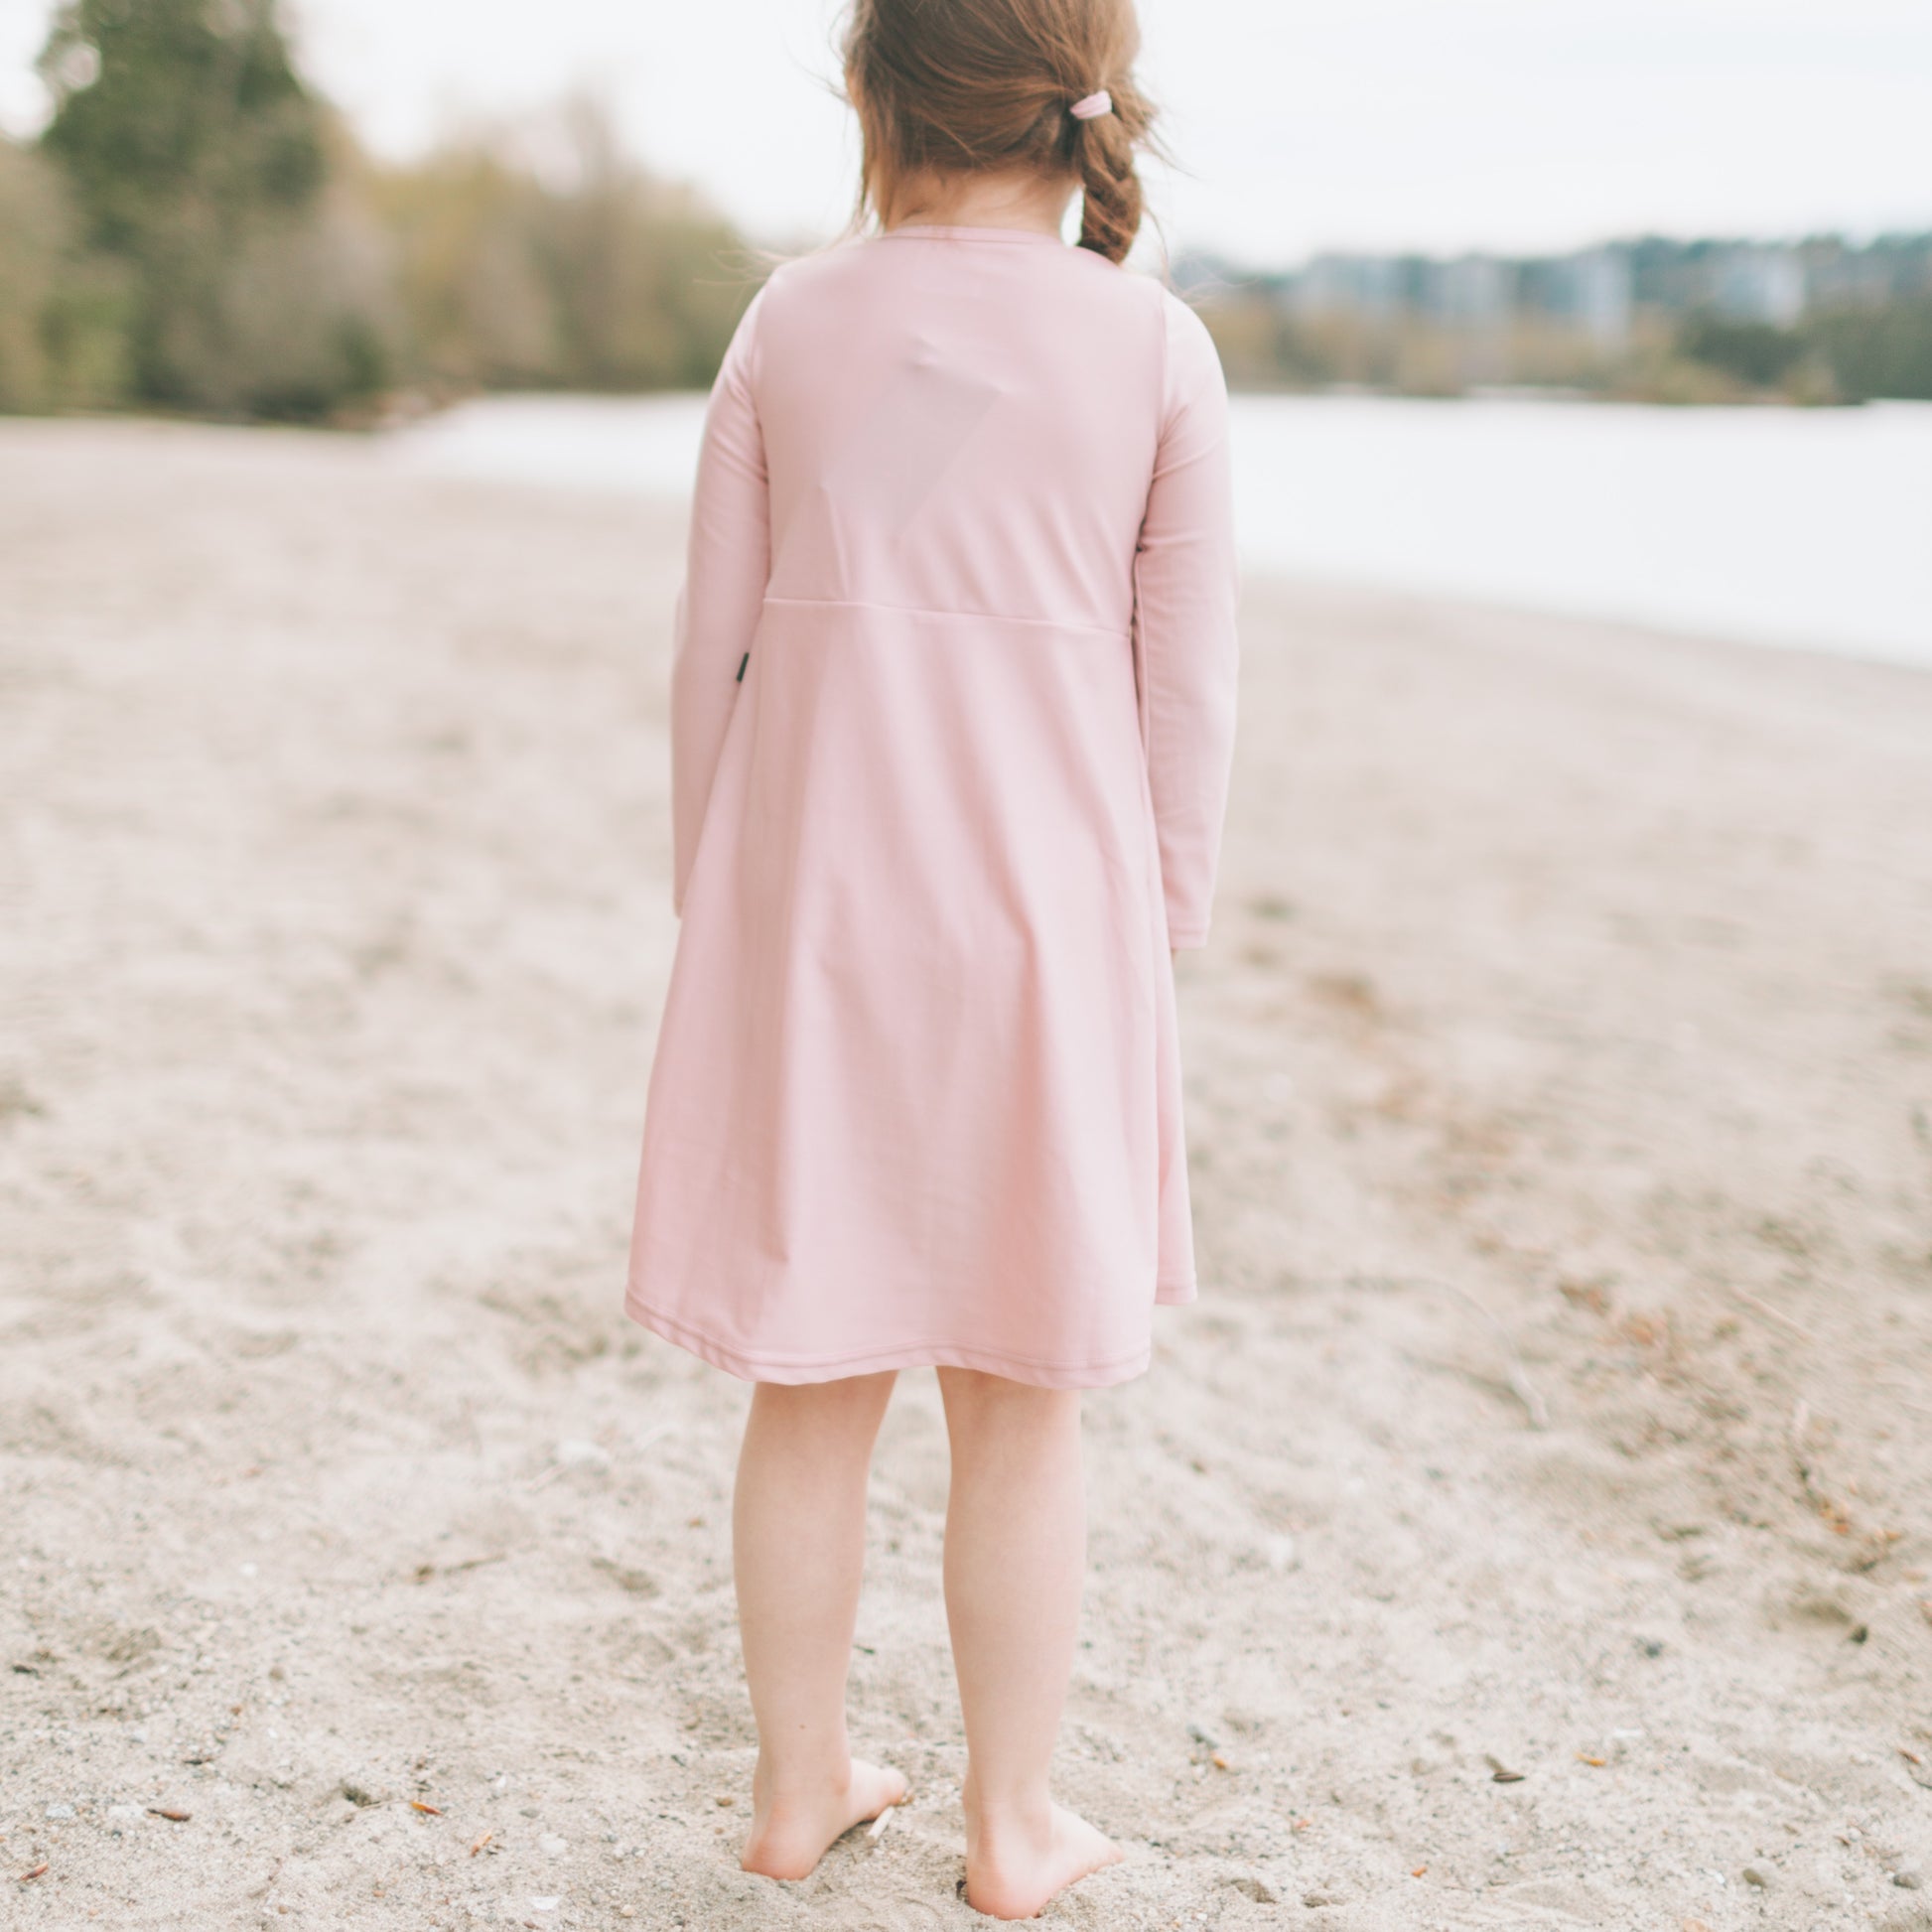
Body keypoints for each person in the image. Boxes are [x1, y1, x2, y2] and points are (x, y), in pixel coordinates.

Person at [621, 0, 1239, 1915]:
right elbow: (1185, 701)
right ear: (1076, 118)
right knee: (1019, 1398)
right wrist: (1167, 925)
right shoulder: (1153, 346)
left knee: (805, 1385)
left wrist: (710, 887)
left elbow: (709, 655)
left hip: (810, 919)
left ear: (878, 102)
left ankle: (798, 1785)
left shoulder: (787, 325)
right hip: (1049, 941)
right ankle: (1009, 1819)